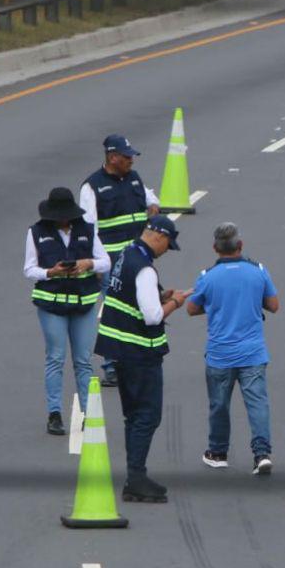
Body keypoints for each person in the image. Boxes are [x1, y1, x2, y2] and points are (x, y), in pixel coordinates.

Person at [95, 215, 189, 503]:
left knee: (133, 415)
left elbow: (130, 296)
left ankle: (134, 476)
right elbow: (152, 317)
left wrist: (160, 295)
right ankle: (136, 478)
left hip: (120, 349)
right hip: (140, 351)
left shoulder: (127, 254)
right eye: (167, 245)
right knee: (147, 416)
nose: (165, 251)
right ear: (159, 237)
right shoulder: (145, 269)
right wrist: (175, 302)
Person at [186, 223, 280, 476]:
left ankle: (218, 453)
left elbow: (191, 308)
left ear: (215, 248)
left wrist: (215, 305)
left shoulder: (207, 277)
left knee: (219, 404)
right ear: (240, 245)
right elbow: (273, 305)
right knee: (257, 404)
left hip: (220, 355)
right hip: (253, 353)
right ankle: (262, 454)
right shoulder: (258, 271)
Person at [23, 187, 110, 435]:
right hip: (51, 304)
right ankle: (54, 414)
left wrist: (87, 263)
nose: (62, 219)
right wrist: (50, 272)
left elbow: (105, 262)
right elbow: (29, 269)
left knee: (83, 361)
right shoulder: (36, 232)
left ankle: (88, 414)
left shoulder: (87, 230)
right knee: (56, 358)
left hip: (84, 304)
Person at [81, 134, 160, 386]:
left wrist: (153, 205)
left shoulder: (133, 178)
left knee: (138, 307)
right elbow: (88, 228)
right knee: (115, 311)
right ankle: (112, 365)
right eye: (126, 156)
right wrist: (96, 263)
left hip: (138, 259)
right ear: (112, 157)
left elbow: (150, 197)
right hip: (111, 261)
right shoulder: (92, 187)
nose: (131, 160)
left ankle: (131, 359)